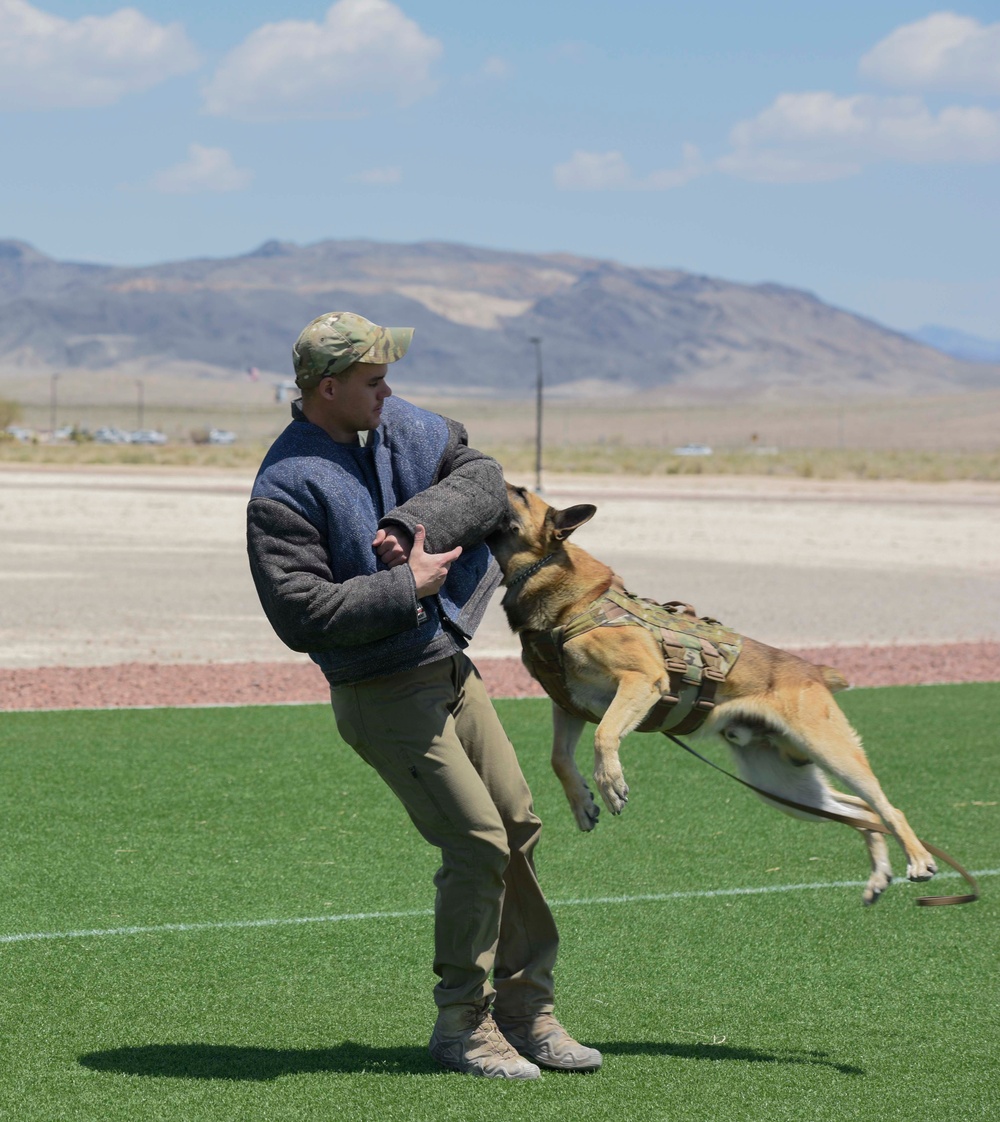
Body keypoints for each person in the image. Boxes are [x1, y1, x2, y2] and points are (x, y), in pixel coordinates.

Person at [246, 312, 601, 1080]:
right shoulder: (284, 486)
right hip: (379, 692)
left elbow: (482, 478)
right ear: (327, 388)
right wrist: (404, 585)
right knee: (476, 843)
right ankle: (461, 1027)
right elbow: (298, 614)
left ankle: (528, 1009)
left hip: (448, 668)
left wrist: (415, 523)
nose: (390, 391)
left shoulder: (401, 425)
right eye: (374, 381)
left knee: (518, 824)